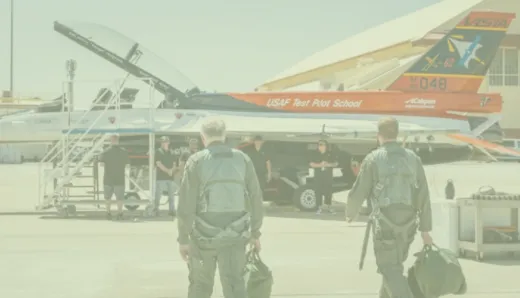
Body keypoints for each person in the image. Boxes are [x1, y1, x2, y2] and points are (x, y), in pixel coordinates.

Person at [345, 117, 433, 298]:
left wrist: (350, 213)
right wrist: (425, 230)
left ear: (379, 136)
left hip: (385, 223)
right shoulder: (413, 158)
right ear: (397, 134)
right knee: (393, 267)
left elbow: (360, 189)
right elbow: (423, 195)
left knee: (389, 269)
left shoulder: (373, 158)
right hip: (409, 224)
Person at [177, 118, 264, 298]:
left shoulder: (196, 161)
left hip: (203, 238)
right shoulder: (243, 159)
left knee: (200, 287)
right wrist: (255, 233)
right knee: (236, 287)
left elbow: (187, 203)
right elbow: (256, 197)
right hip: (236, 236)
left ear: (203, 137)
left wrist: (183, 238)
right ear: (224, 136)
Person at [99, 134, 129, 220]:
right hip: (120, 178)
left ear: (110, 141)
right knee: (120, 198)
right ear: (118, 141)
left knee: (107, 198)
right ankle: (120, 213)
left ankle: (108, 213)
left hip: (108, 179)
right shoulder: (124, 152)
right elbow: (127, 165)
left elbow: (101, 164)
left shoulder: (105, 152)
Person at [309, 139, 338, 214]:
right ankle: (319, 207)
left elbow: (336, 163)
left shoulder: (330, 154)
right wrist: (321, 165)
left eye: (322, 145)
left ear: (326, 146)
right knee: (318, 190)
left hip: (328, 175)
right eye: (319, 145)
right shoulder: (314, 154)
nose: (320, 146)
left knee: (328, 190)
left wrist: (328, 164)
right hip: (318, 175)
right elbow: (312, 164)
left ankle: (329, 206)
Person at [154, 136, 177, 216]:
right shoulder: (158, 152)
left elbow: (174, 164)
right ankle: (156, 209)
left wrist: (172, 170)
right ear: (161, 143)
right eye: (163, 142)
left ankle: (172, 210)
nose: (164, 143)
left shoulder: (172, 152)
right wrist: (168, 171)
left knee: (171, 195)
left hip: (170, 177)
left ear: (169, 142)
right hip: (160, 177)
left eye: (166, 141)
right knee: (158, 195)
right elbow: (158, 164)